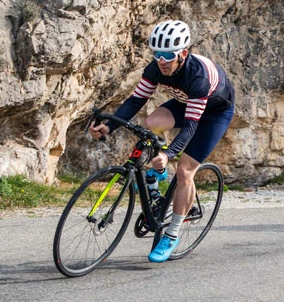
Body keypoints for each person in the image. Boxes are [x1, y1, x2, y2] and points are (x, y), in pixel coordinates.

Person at [89, 19, 235, 262]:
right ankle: (160, 172)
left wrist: (168, 155)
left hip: (214, 114)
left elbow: (191, 126)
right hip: (185, 103)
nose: (162, 61)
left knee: (185, 172)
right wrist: (109, 126)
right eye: (157, 54)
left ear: (183, 54)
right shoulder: (155, 68)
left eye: (168, 55)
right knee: (152, 122)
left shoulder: (198, 77)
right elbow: (136, 101)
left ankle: (172, 234)